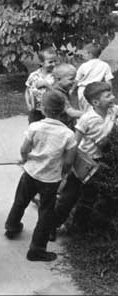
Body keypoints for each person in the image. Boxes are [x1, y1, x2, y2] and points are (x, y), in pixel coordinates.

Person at [4, 91, 76, 262]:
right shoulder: (68, 135)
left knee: (20, 201)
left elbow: (24, 149)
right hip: (50, 180)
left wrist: (25, 159)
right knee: (46, 212)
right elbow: (69, 161)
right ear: (63, 109)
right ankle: (36, 249)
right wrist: (63, 173)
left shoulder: (34, 127)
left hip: (30, 173)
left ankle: (12, 227)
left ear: (43, 109)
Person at [53, 82, 118, 236]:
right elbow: (75, 141)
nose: (113, 97)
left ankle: (79, 227)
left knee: (89, 197)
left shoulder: (113, 111)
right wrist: (69, 162)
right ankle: (52, 226)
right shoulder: (87, 118)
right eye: (108, 96)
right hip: (84, 163)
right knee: (69, 197)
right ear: (95, 102)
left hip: (103, 163)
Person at [75, 43, 114, 112]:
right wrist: (109, 93)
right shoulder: (105, 65)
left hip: (83, 90)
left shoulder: (84, 65)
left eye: (85, 53)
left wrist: (72, 90)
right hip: (97, 91)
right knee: (97, 110)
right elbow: (109, 82)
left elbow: (77, 80)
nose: (84, 55)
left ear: (90, 54)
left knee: (85, 111)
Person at [25, 47, 57, 123]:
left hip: (51, 111)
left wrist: (46, 85)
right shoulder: (34, 75)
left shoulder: (56, 76)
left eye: (55, 61)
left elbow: (58, 93)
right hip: (36, 111)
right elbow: (27, 91)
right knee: (34, 130)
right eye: (50, 62)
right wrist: (28, 104)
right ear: (41, 63)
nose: (54, 64)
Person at [52, 63, 83, 130]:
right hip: (60, 129)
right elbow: (71, 113)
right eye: (71, 79)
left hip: (66, 126)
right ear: (58, 79)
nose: (74, 81)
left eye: (75, 78)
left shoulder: (63, 91)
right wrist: (92, 115)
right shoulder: (57, 94)